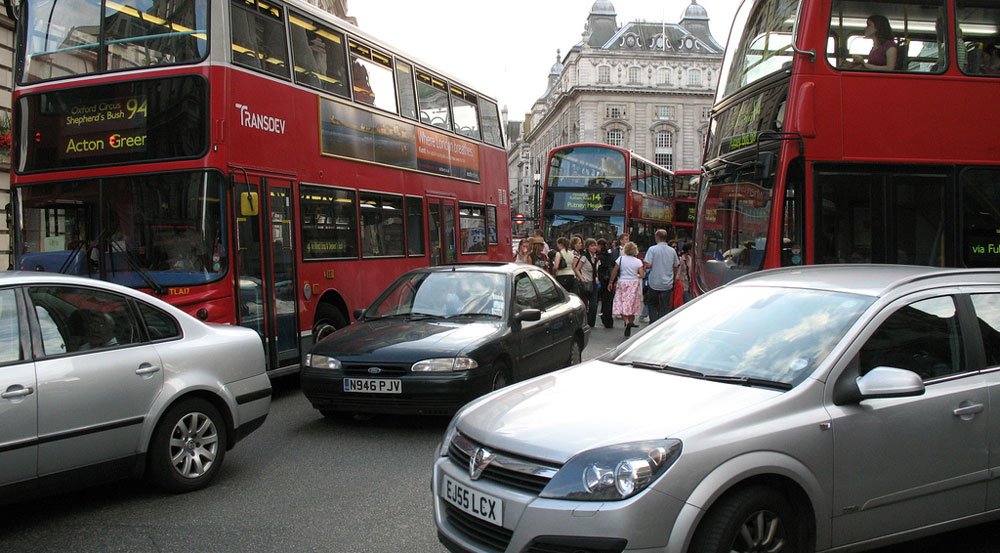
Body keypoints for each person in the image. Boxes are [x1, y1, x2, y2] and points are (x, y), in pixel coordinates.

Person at [643, 229, 680, 323]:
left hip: (654, 282)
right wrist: (673, 276)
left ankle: (653, 322)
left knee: (652, 304)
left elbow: (648, 264)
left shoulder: (652, 249)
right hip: (667, 283)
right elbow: (676, 265)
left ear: (657, 237)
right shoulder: (672, 251)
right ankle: (661, 323)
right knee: (665, 306)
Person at [609, 241, 644, 337]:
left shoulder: (620, 259)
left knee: (622, 302)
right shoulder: (638, 261)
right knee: (632, 303)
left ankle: (627, 321)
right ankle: (631, 321)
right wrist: (635, 274)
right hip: (634, 283)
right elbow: (642, 274)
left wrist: (611, 282)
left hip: (622, 282)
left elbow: (615, 271)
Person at [573, 238, 601, 327]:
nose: (594, 247)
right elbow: (577, 268)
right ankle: (583, 322)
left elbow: (597, 270)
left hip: (594, 283)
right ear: (587, 247)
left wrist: (597, 278)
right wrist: (581, 278)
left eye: (595, 245)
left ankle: (591, 322)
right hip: (585, 283)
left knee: (593, 305)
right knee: (584, 304)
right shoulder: (584, 257)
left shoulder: (596, 257)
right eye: (592, 246)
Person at [596, 238, 616, 328]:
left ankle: (601, 317)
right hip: (608, 279)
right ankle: (608, 320)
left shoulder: (598, 256)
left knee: (597, 299)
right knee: (608, 301)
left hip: (600, 280)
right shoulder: (610, 255)